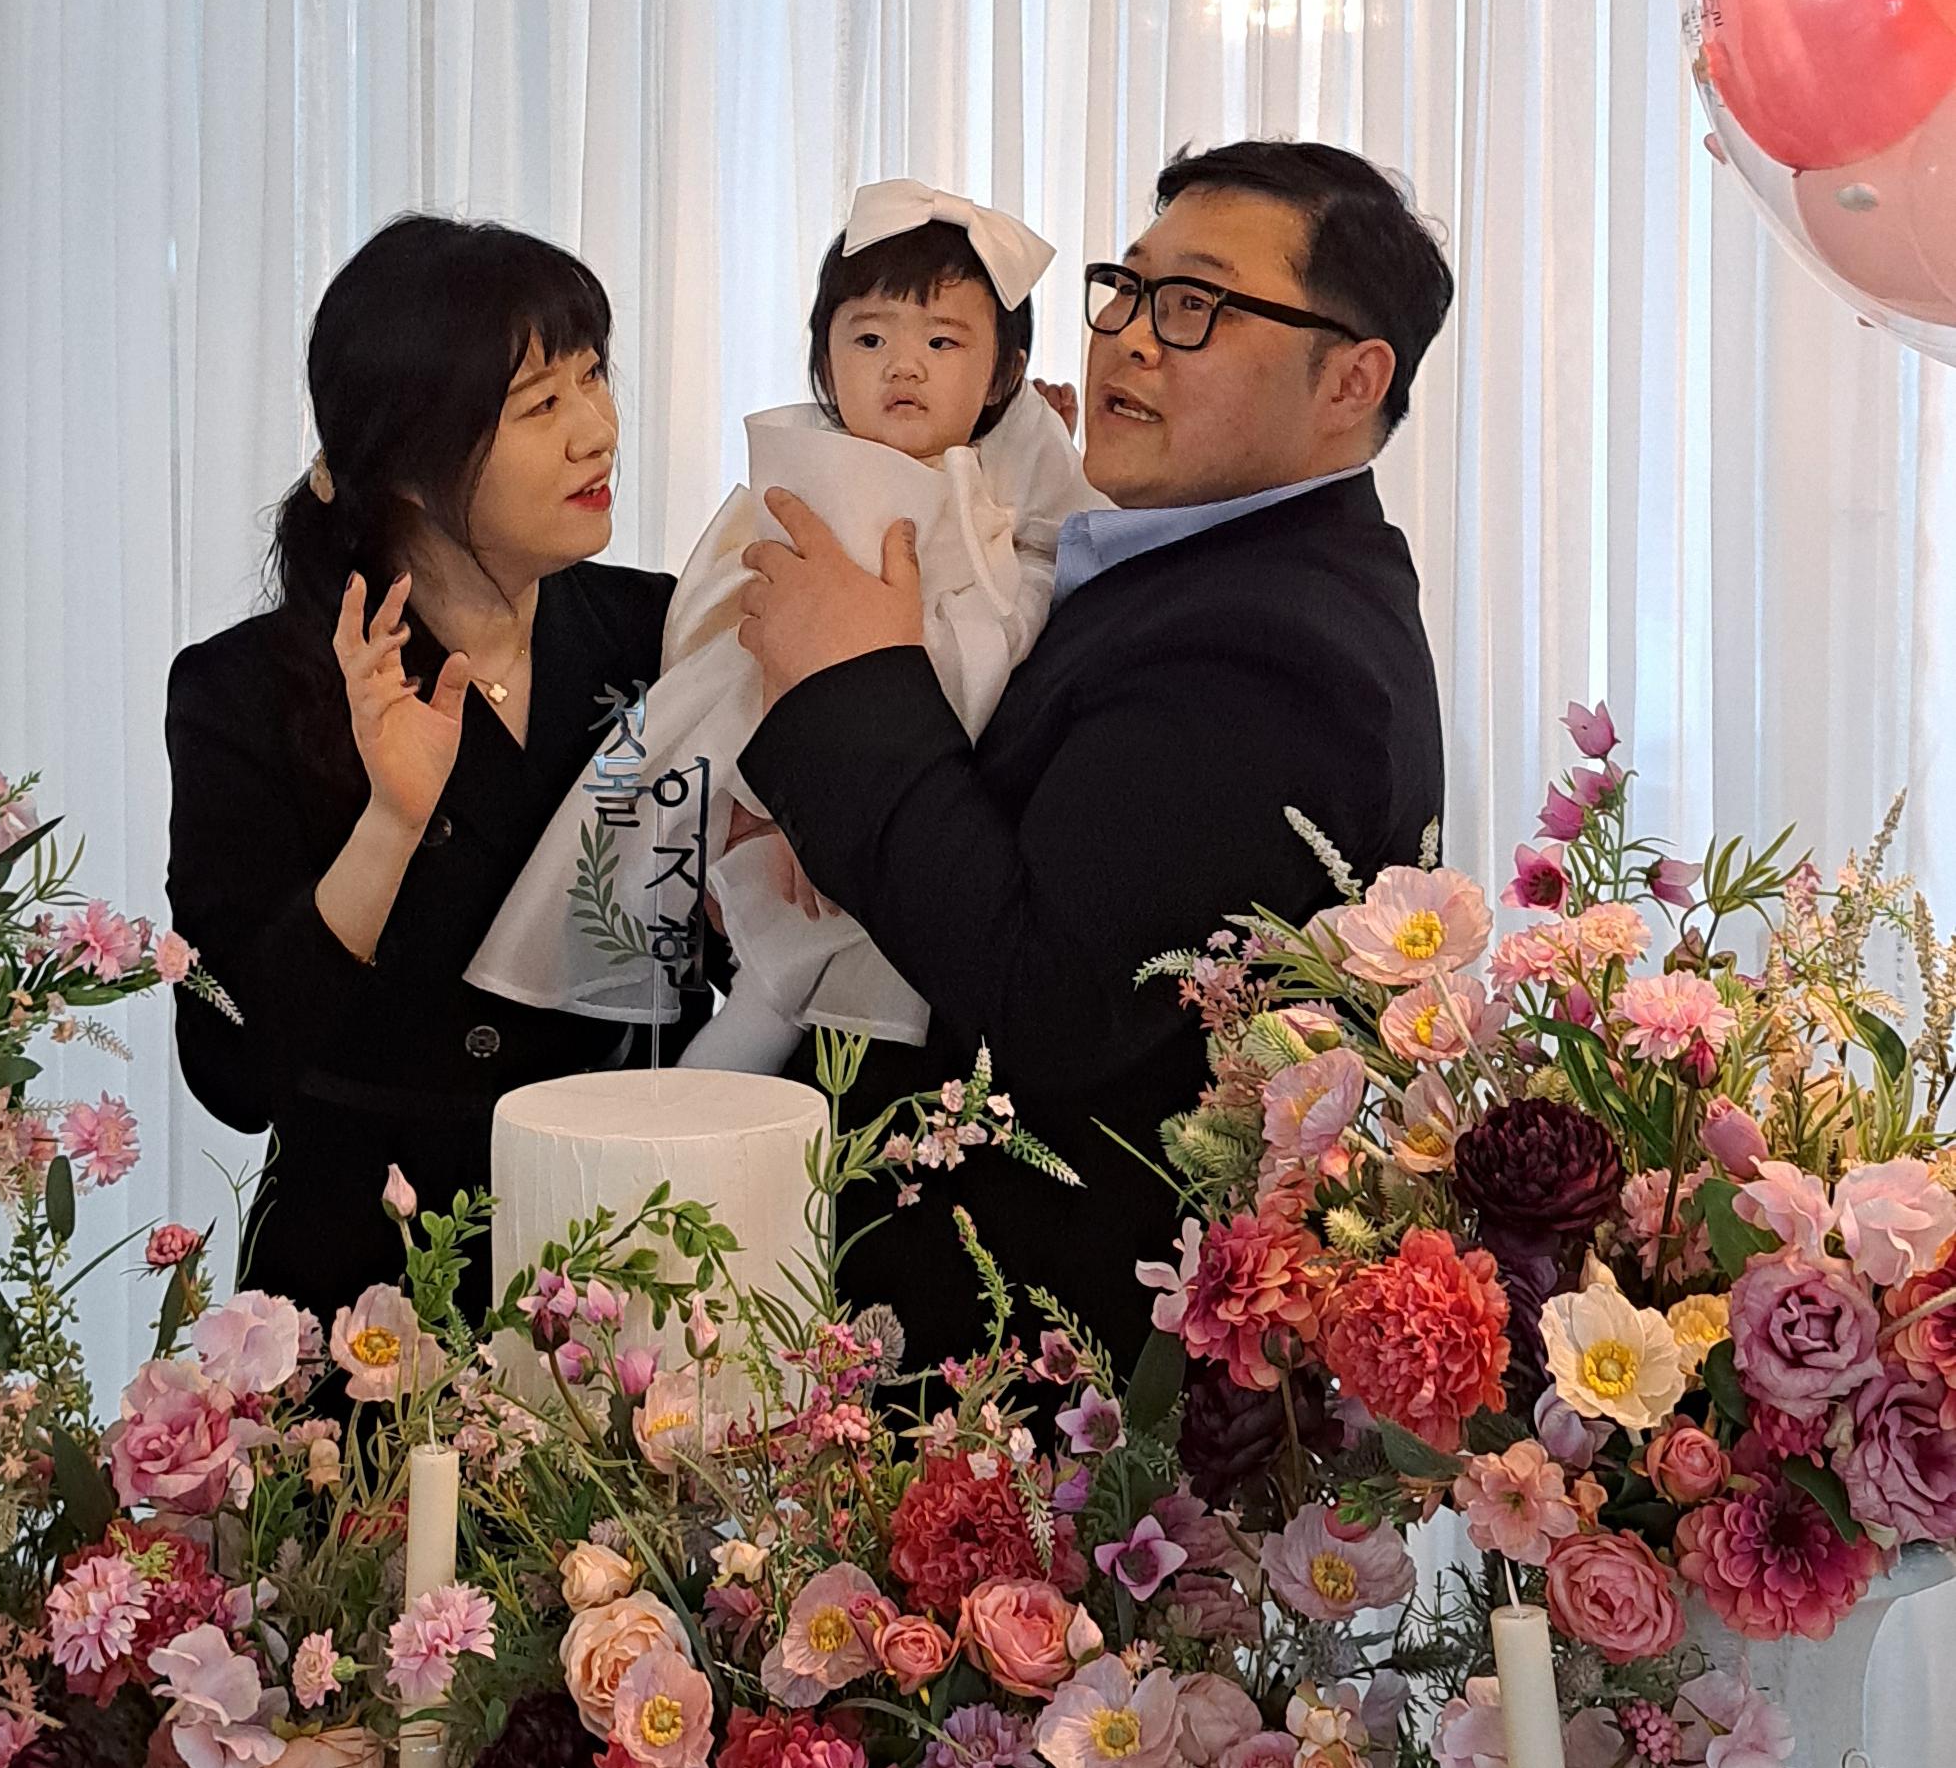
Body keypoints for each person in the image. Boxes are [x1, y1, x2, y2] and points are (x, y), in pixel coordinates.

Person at [736, 139, 1452, 1363]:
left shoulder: (1273, 648)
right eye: (1125, 288)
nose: (1126, 337)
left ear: (1349, 379)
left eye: (1194, 304)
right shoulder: (1188, 564)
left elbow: (1050, 996)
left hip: (1038, 1352)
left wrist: (847, 685)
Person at [165, 212, 684, 1327]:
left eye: (594, 378)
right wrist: (392, 822)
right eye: (540, 406)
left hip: (629, 1248)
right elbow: (231, 1070)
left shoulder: (660, 634)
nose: (598, 432)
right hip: (368, 1276)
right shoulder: (251, 689)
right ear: (404, 463)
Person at [471, 180, 1094, 1068]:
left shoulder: (1006, 460)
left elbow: (1077, 523)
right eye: (869, 339)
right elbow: (756, 634)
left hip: (944, 748)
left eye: (942, 342)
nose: (904, 366)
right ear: (825, 367)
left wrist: (1048, 437)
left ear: (1001, 375)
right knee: (780, 967)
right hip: (793, 731)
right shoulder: (823, 469)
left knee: (871, 961)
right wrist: (803, 801)